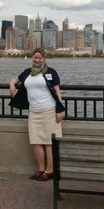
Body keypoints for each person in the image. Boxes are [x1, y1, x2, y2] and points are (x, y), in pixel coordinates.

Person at [9, 48, 65, 181]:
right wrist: (12, 85)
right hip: (34, 111)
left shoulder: (51, 72)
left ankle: (50, 170)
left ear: (44, 58)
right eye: (35, 58)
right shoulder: (28, 72)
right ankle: (41, 169)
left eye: (40, 58)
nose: (37, 60)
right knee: (35, 141)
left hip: (49, 111)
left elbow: (57, 92)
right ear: (32, 58)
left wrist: (59, 110)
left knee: (49, 142)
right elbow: (15, 79)